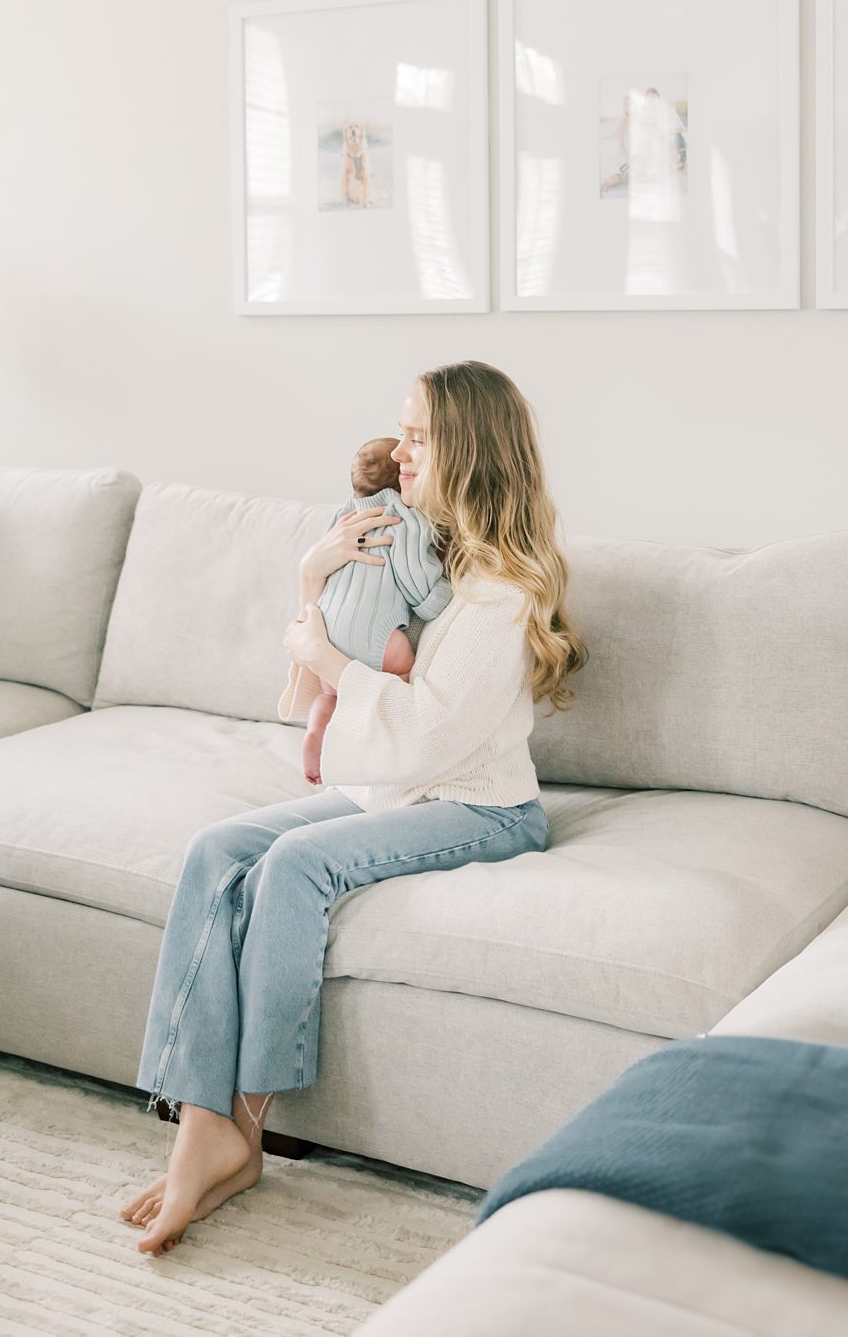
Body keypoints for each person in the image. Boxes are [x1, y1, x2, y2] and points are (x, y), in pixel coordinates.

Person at [121, 360, 588, 1256]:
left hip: (482, 807)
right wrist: (311, 575)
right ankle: (199, 1120)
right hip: (391, 790)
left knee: (295, 865)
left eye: (419, 436)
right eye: (401, 431)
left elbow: (424, 732)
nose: (397, 450)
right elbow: (315, 671)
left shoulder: (504, 587)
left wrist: (335, 664)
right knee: (219, 849)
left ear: (468, 450)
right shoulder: (411, 543)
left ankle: (241, 1127)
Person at [288, 433, 454, 786]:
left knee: (329, 694)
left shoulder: (343, 514)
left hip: (329, 626)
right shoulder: (403, 518)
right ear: (402, 479)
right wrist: (437, 599)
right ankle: (382, 747)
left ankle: (318, 732)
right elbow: (413, 576)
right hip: (374, 630)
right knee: (401, 674)